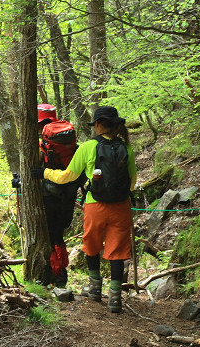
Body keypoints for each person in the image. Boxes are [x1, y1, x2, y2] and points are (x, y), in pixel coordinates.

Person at [31, 105, 137, 313]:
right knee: (117, 252)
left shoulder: (87, 147)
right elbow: (132, 181)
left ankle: (95, 289)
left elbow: (67, 177)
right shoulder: (127, 148)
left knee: (92, 245)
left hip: (95, 205)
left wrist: (44, 173)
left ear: (97, 125)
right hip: (121, 207)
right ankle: (115, 298)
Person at [36, 104, 81, 287]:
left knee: (52, 235)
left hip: (49, 195)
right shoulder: (70, 143)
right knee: (59, 235)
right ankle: (60, 274)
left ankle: (56, 276)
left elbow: (36, 172)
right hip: (69, 194)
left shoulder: (42, 144)